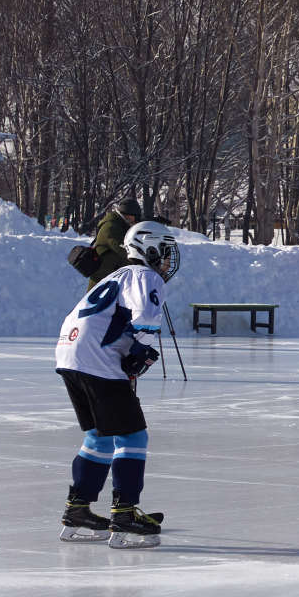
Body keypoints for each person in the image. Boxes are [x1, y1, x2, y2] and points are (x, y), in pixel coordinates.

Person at [55, 221, 180, 548]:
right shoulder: (146, 276)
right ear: (149, 249)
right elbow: (145, 320)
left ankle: (78, 508)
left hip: (69, 353)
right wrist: (140, 351)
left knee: (99, 434)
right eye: (164, 252)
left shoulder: (114, 275)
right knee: (133, 434)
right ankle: (125, 513)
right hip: (97, 359)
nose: (167, 260)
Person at [87, 198, 143, 288]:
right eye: (135, 217)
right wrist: (142, 259)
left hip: (111, 277)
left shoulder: (120, 224)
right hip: (101, 279)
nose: (136, 220)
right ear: (128, 214)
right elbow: (125, 250)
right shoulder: (111, 227)